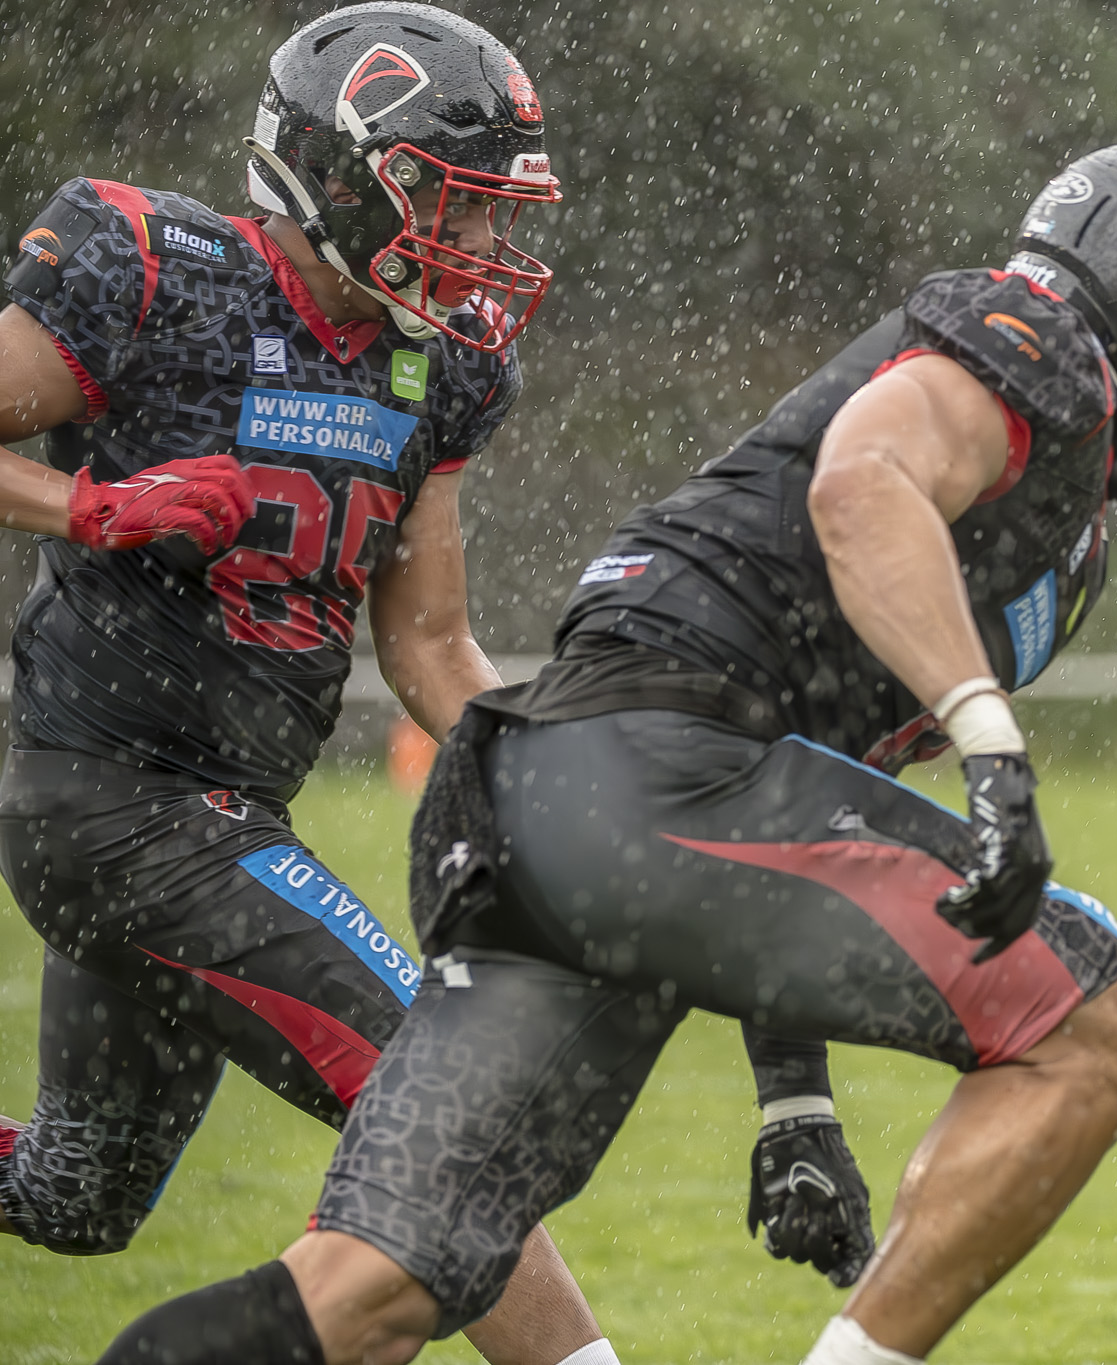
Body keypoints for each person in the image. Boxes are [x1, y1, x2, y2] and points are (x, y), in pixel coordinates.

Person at [97, 138, 1117, 1365]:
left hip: (546, 802)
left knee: (368, 1293)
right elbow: (862, 483)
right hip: (647, 769)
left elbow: (816, 787)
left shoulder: (1065, 521)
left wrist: (792, 1095)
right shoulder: (1041, 339)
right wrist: (989, 742)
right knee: (1098, 1027)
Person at [0, 7, 621, 1362]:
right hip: (110, 802)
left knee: (74, 1198)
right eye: (458, 206)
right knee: (439, 1098)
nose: (487, 251)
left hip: (228, 817)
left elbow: (431, 646)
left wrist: (584, 779)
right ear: (347, 178)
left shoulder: (436, 357)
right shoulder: (156, 271)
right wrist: (92, 505)